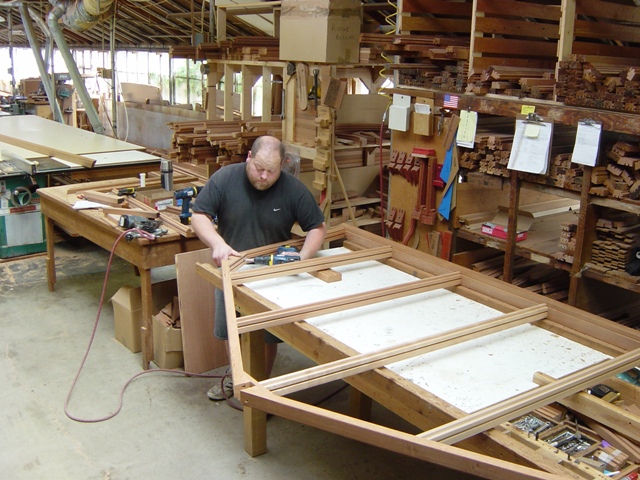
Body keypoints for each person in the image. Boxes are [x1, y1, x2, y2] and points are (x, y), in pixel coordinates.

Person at [191, 135, 327, 403]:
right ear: (248, 158)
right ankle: (237, 378)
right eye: (258, 168)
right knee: (232, 329)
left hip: (272, 275)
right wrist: (217, 244)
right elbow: (199, 215)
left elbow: (317, 227)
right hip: (232, 270)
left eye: (272, 171)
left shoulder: (293, 190)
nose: (264, 176)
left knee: (266, 336)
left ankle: (260, 387)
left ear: (283, 165)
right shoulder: (224, 179)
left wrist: (302, 257)